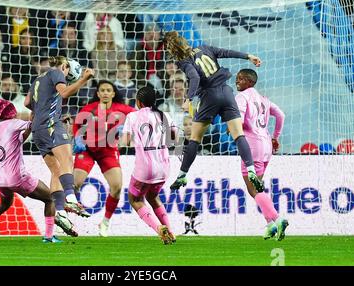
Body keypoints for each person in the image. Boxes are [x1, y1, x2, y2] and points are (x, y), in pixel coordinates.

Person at [163, 31, 265, 194]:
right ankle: (251, 169)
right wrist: (248, 56)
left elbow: (195, 78)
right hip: (226, 91)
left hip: (209, 96)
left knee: (194, 139)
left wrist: (188, 99)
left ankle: (182, 174)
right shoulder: (204, 48)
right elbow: (226, 52)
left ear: (172, 49)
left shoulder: (183, 61)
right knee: (239, 135)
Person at [0, 99, 75, 243]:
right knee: (50, 198)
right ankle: (49, 237)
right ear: (8, 111)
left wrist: (31, 124)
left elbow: (18, 139)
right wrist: (56, 120)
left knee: (4, 204)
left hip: (1, 178)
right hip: (17, 176)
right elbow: (37, 125)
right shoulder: (13, 124)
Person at [24, 56, 95, 233]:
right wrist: (83, 80)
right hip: (50, 125)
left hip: (37, 130)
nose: (66, 78)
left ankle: (60, 213)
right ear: (65, 66)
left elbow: (27, 102)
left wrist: (43, 111)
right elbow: (64, 93)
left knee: (56, 171)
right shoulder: (56, 72)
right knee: (67, 162)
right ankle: (71, 199)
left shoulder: (39, 78)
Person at [72, 80, 136, 237]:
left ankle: (105, 222)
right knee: (74, 184)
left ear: (113, 93)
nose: (106, 93)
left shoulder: (123, 109)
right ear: (98, 93)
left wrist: (127, 129)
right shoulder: (89, 109)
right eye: (103, 90)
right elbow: (76, 125)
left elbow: (140, 116)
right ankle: (64, 219)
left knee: (117, 187)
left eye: (109, 90)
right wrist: (77, 139)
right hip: (87, 150)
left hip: (108, 151)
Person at [235, 69, 288, 240]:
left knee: (253, 188)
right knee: (257, 186)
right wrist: (276, 137)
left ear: (250, 81)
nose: (237, 81)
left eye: (241, 79)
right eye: (237, 78)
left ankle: (277, 219)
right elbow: (281, 115)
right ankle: (270, 224)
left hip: (251, 146)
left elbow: (240, 121)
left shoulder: (242, 98)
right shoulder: (264, 99)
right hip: (266, 144)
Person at [120, 86, 178, 244]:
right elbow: (174, 139)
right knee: (153, 196)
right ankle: (170, 232)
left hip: (145, 167)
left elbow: (124, 142)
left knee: (135, 199)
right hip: (164, 167)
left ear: (138, 102)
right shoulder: (164, 115)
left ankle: (159, 229)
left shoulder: (132, 116)